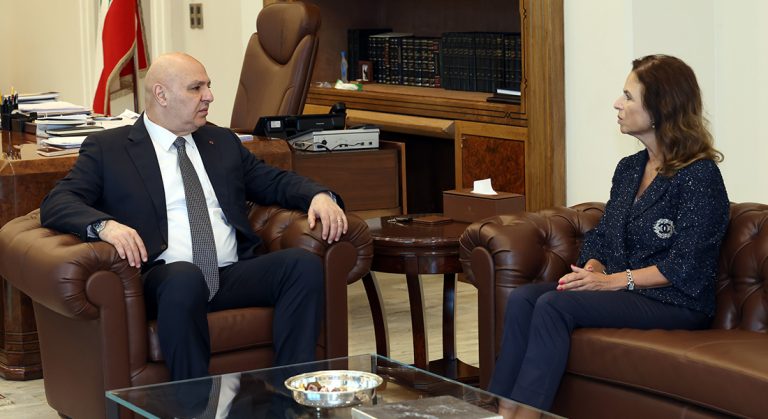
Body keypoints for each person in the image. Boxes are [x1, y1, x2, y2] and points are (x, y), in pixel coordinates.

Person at [40, 52, 348, 382]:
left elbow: (273, 181)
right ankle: (192, 403)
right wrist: (106, 226)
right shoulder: (110, 149)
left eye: (208, 86)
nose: (209, 96)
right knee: (184, 278)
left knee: (301, 266)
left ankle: (291, 394)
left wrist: (319, 195)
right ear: (161, 94)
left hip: (230, 272)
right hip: (164, 278)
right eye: (196, 88)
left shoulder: (220, 141)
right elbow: (58, 201)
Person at [487, 54, 729, 413]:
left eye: (628, 96)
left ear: (660, 107)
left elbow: (686, 266)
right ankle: (499, 410)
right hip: (627, 290)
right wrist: (593, 269)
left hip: (676, 301)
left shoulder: (700, 175)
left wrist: (611, 282)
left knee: (554, 305)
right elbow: (603, 236)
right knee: (524, 299)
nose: (617, 103)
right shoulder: (630, 168)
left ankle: (527, 414)